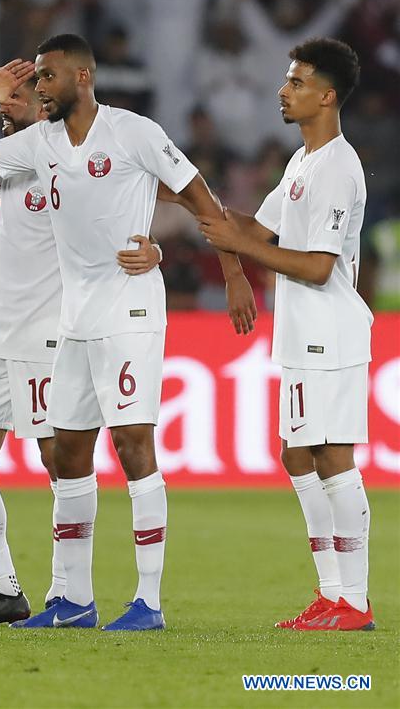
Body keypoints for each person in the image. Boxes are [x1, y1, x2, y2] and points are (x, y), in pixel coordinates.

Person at [0, 34, 257, 631]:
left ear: (84, 76)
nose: (40, 86)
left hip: (131, 310)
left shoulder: (133, 132)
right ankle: (74, 601)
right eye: (36, 77)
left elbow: (198, 195)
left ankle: (148, 601)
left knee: (133, 446)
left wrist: (234, 271)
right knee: (68, 452)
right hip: (75, 317)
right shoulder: (39, 142)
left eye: (49, 76)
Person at [0, 66, 162, 625]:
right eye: (1, 98)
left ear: (45, 103)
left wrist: (154, 250)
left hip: (49, 332)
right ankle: (6, 590)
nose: (6, 105)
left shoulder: (61, 163)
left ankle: (67, 593)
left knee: (59, 460)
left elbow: (122, 205)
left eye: (16, 97)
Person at [199, 37, 374, 631]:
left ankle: (355, 600)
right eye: (286, 80)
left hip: (331, 330)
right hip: (301, 332)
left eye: (296, 83)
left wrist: (240, 250)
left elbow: (318, 265)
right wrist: (200, 205)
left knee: (332, 456)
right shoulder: (301, 163)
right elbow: (259, 227)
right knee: (296, 452)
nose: (283, 90)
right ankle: (330, 594)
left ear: (327, 96)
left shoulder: (337, 168)